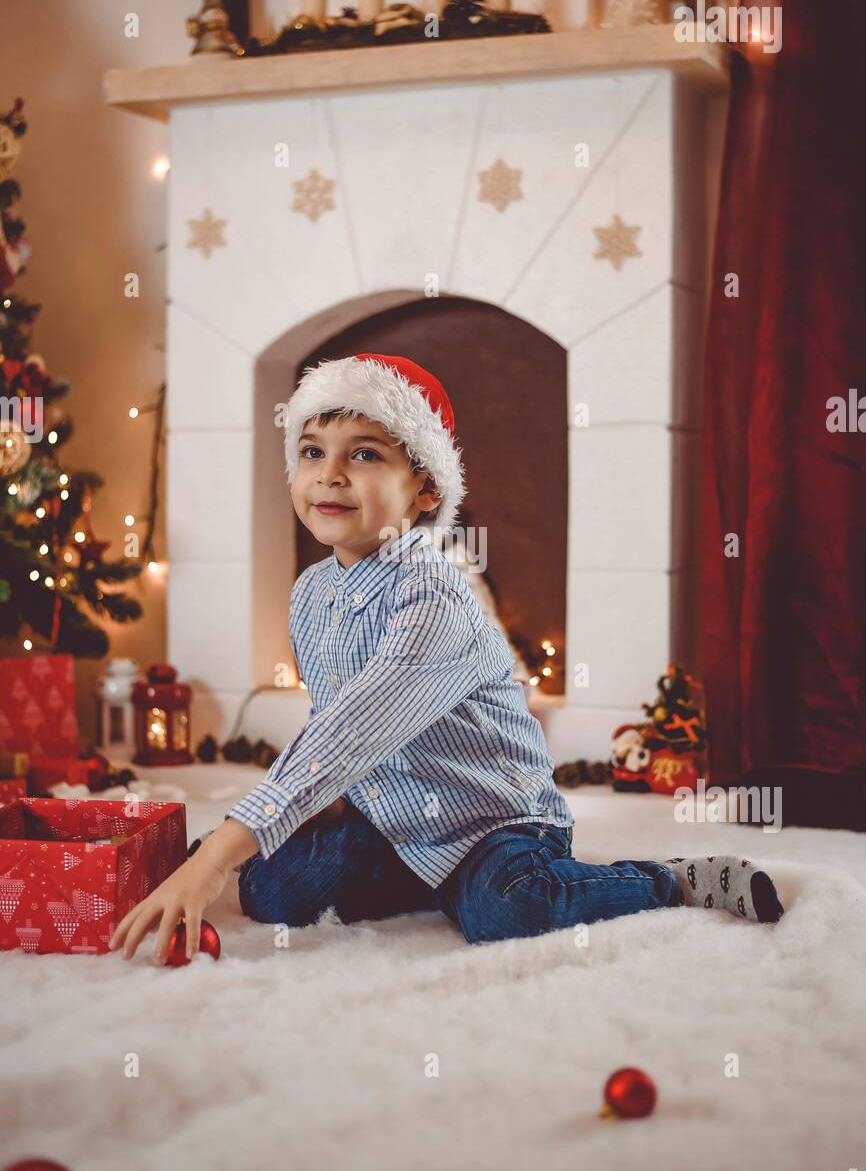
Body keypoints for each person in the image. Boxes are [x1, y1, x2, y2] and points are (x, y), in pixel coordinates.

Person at [109, 353, 783, 965]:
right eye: (312, 452)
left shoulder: (433, 596)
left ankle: (668, 878)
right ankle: (420, 881)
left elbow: (350, 733)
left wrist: (213, 860)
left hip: (494, 820)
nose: (329, 474)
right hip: (393, 822)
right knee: (273, 892)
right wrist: (288, 828)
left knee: (508, 908)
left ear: (425, 491)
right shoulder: (311, 594)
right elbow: (332, 723)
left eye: (365, 455)